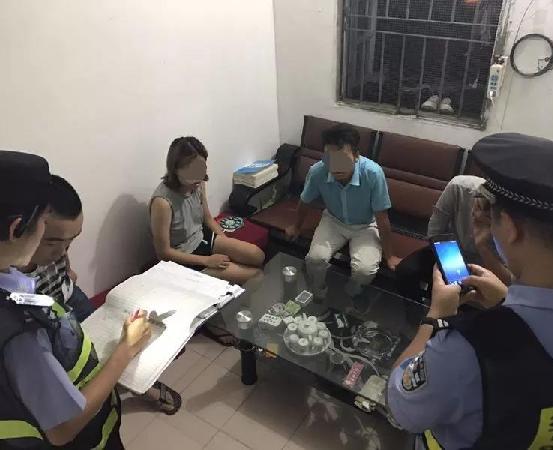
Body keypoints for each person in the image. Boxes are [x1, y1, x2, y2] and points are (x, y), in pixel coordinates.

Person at [387, 133, 553, 449]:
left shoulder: (465, 350)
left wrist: (436, 317)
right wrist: (502, 291)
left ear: (510, 229)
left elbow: (400, 407)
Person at [0, 150, 151, 449]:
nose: (61, 251)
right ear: (17, 228)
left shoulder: (19, 290)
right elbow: (64, 428)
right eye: (44, 225)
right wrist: (126, 349)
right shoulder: (21, 327)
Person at [150, 136, 264, 344]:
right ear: (175, 168)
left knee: (257, 255)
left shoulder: (198, 183)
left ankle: (231, 299)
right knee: (256, 276)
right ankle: (226, 318)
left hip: (202, 240)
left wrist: (226, 243)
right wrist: (208, 261)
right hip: (183, 259)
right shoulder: (162, 202)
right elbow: (163, 253)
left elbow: (208, 219)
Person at [285, 124, 400, 299]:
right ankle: (318, 292)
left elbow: (382, 217)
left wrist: (390, 255)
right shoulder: (318, 171)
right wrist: (296, 226)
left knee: (364, 270)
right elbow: (305, 201)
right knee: (315, 258)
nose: (336, 166)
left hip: (365, 225)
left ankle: (352, 294)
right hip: (333, 220)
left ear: (356, 155)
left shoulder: (373, 173)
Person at [19, 175, 95, 322]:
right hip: (38, 316)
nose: (62, 252)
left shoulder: (59, 248)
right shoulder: (9, 270)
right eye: (52, 243)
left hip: (68, 296)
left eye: (71, 240)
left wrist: (68, 273)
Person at [428, 174, 512, 284]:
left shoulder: (515, 221)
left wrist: (483, 247)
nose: (478, 215)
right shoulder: (458, 187)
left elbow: (509, 282)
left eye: (487, 216)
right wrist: (454, 276)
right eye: (478, 206)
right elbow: (434, 234)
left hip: (490, 275)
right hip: (450, 260)